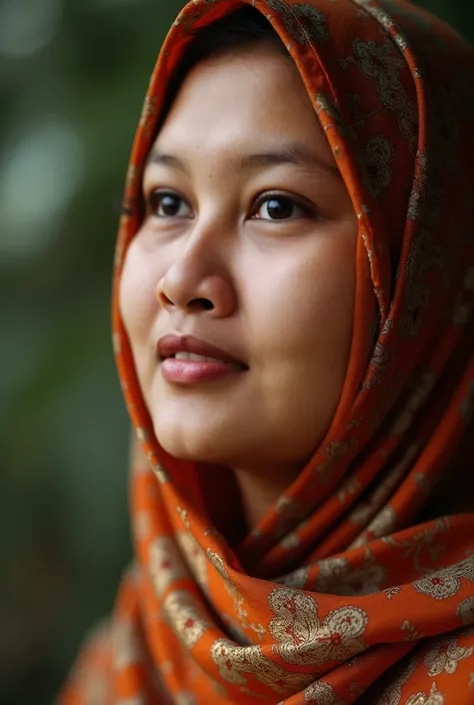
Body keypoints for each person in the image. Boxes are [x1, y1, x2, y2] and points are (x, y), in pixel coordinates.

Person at [59, 0, 474, 702]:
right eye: (166, 202)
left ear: (426, 270)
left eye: (276, 206)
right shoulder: (134, 651)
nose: (183, 281)